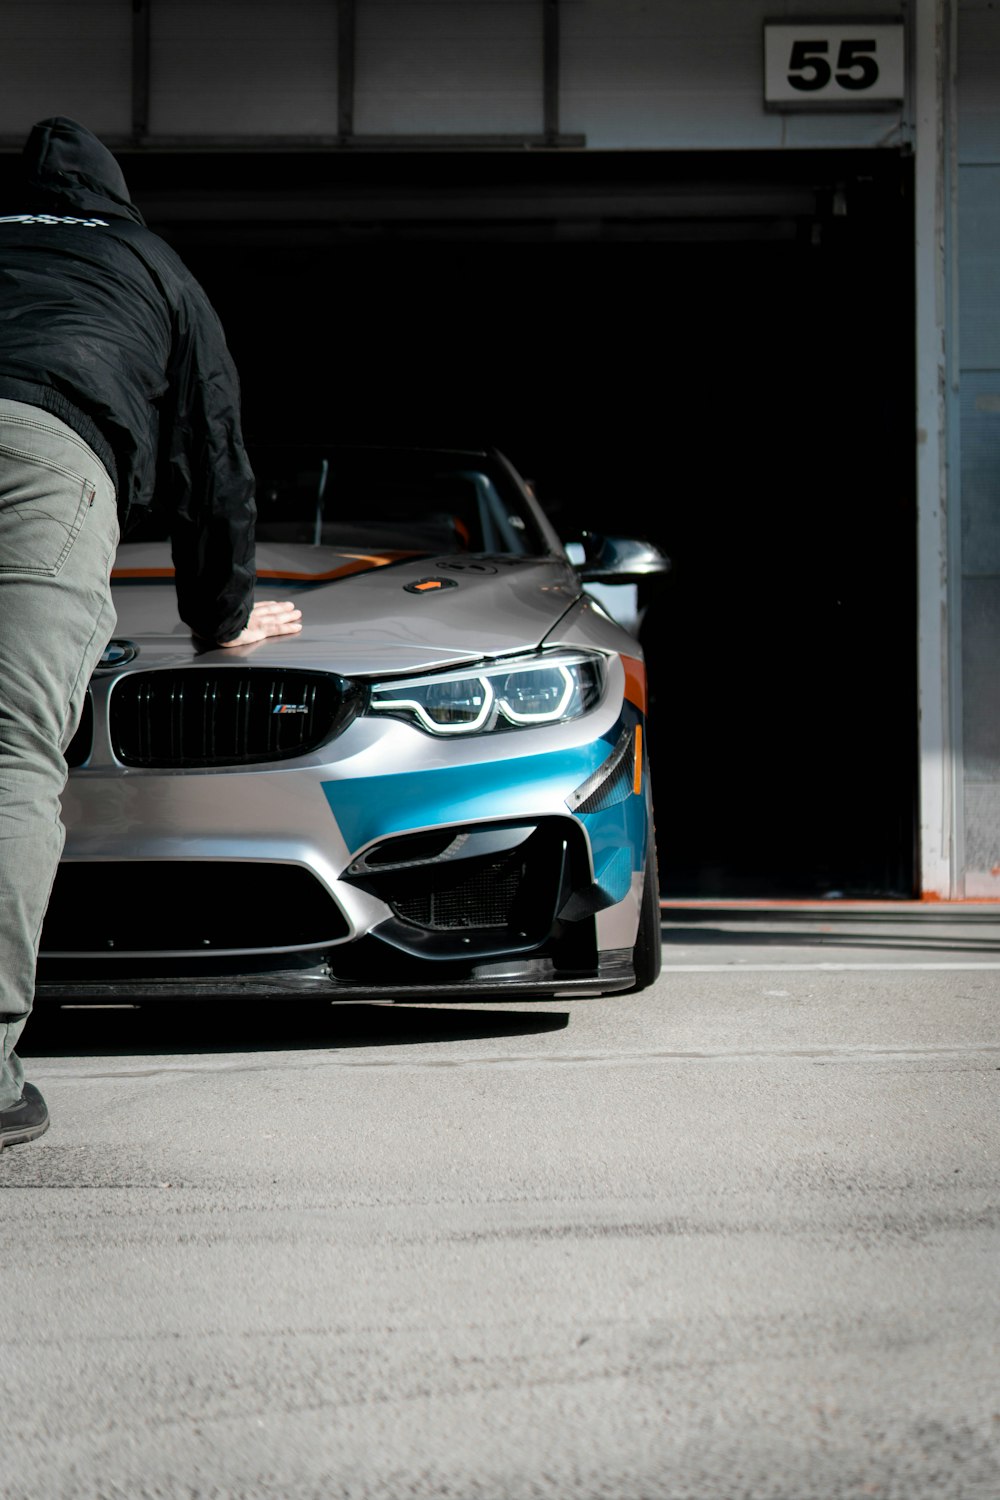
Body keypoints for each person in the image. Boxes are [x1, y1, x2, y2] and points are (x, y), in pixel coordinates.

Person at [0, 117, 302, 1148]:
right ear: (115, 201)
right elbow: (212, 458)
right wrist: (218, 616)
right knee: (7, 755)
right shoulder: (150, 264)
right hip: (42, 458)